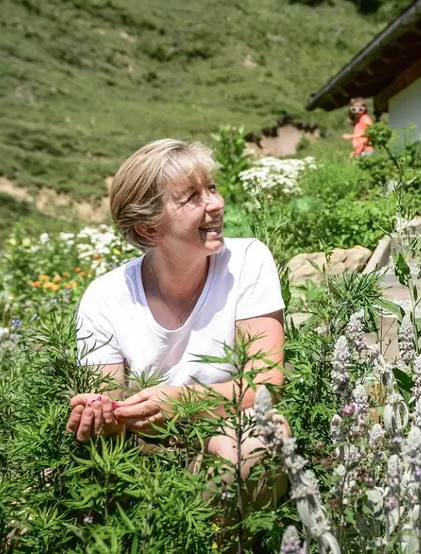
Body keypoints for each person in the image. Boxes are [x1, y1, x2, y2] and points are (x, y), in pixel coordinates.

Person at [64, 138, 289, 505]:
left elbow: (266, 384)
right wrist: (100, 413)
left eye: (211, 188)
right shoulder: (105, 297)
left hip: (226, 429)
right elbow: (107, 398)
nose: (216, 204)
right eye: (191, 198)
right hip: (145, 454)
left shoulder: (248, 261)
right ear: (149, 230)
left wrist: (182, 401)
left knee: (263, 439)